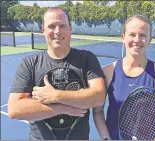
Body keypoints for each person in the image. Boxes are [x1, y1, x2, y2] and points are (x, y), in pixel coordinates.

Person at [8, 7, 106, 140]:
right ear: (43, 30)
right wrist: (62, 108)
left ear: (70, 28)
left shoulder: (87, 58)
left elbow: (99, 97)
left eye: (62, 25)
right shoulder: (29, 64)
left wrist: (55, 95)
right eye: (51, 26)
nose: (57, 31)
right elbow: (15, 109)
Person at [93, 14, 155, 140]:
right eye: (132, 34)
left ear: (149, 39)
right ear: (123, 37)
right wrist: (106, 138)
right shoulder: (107, 72)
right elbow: (97, 112)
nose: (137, 40)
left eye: (143, 35)